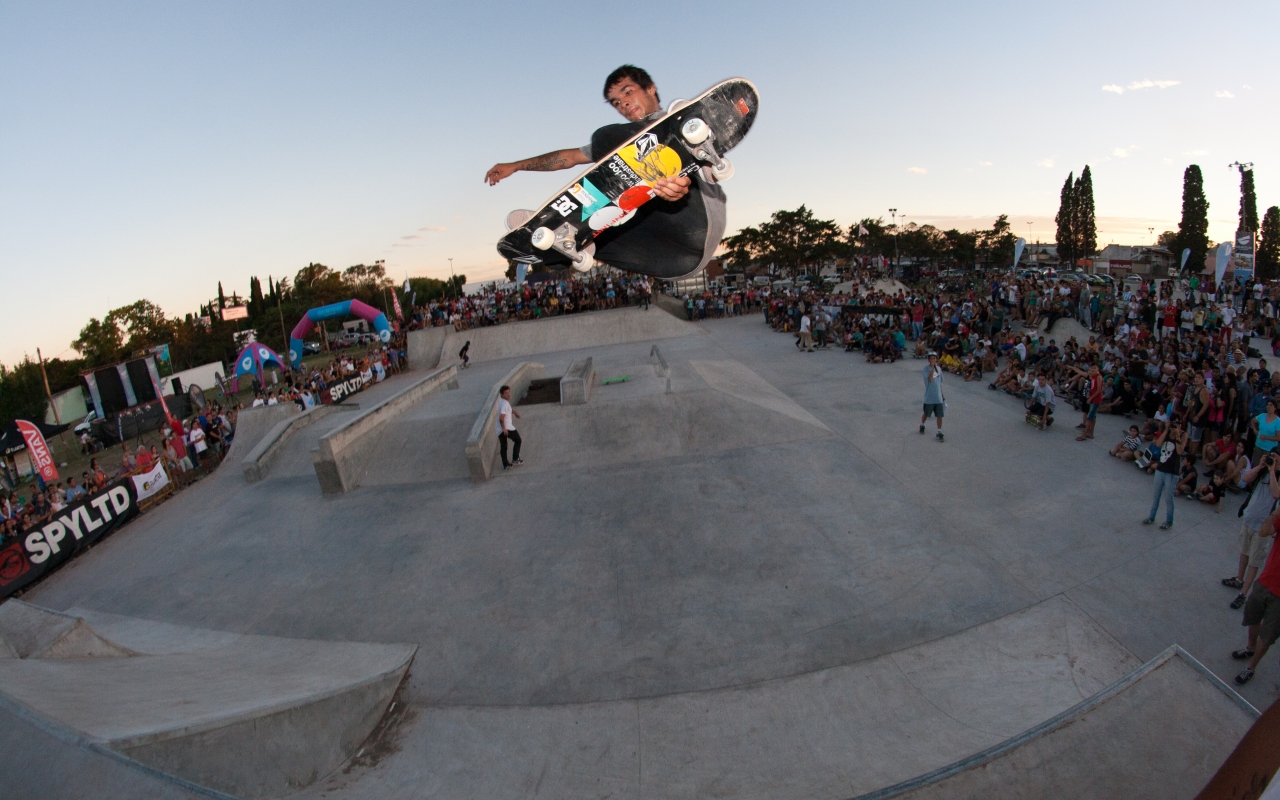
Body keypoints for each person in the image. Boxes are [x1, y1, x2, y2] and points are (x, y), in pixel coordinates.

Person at [484, 65, 724, 280]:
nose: (623, 104)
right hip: (671, 261)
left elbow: (711, 173)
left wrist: (682, 186)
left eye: (628, 92)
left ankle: (678, 150)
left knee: (606, 137)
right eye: (616, 102)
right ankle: (565, 238)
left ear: (650, 89)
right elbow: (569, 158)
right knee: (585, 237)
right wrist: (515, 166)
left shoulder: (675, 129)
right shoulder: (622, 147)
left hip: (695, 227)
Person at [1224, 456, 1280, 609]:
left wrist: (1272, 470)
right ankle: (1239, 579)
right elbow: (1245, 478)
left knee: (1255, 561)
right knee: (1244, 551)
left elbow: (1276, 494)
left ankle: (1243, 593)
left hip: (1262, 528)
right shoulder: (1261, 473)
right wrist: (1260, 466)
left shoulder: (1277, 476)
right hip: (1249, 520)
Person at [1231, 510, 1280, 685]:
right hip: (1265, 583)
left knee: (1268, 635)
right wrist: (1274, 515)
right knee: (1253, 618)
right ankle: (1250, 648)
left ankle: (1251, 667)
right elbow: (1264, 531)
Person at [1144, 423, 1186, 530]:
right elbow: (1158, 444)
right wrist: (1166, 431)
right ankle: (1151, 516)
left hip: (1172, 472)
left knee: (1168, 498)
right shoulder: (1166, 433)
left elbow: (1180, 451)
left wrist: (1177, 435)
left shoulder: (1183, 435)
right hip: (1161, 469)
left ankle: (1169, 520)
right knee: (1156, 495)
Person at [920, 352, 945, 442]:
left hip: (938, 396)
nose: (933, 360)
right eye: (931, 358)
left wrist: (942, 395)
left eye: (934, 358)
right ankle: (922, 424)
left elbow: (939, 383)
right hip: (929, 396)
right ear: (929, 360)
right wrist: (933, 369)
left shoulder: (939, 369)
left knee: (939, 415)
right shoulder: (926, 369)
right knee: (926, 413)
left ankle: (939, 431)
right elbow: (930, 379)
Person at [497, 384, 523, 471]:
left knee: (503, 446)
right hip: (507, 427)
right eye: (506, 393)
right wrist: (504, 428)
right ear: (502, 394)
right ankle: (515, 459)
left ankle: (506, 465)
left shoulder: (501, 402)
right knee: (518, 440)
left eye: (509, 392)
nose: (508, 395)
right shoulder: (504, 403)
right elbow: (501, 417)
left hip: (499, 429)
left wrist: (515, 412)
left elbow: (509, 410)